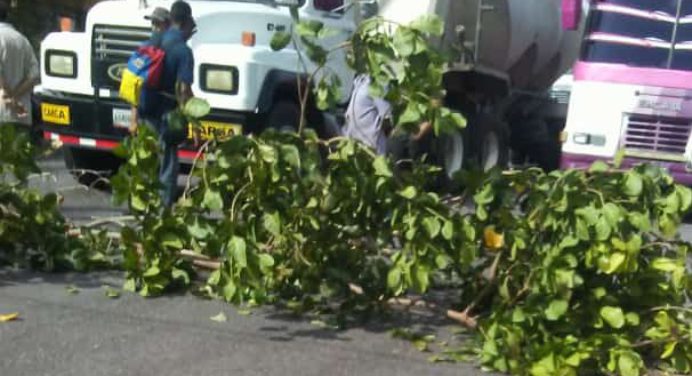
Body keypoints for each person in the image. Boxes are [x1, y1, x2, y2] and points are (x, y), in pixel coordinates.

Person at [137, 0, 196, 208]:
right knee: (168, 164)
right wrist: (191, 122)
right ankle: (162, 214)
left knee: (146, 161)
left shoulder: (151, 41)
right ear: (187, 22)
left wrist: (133, 113)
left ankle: (143, 209)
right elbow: (183, 90)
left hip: (145, 109)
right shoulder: (183, 50)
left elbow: (134, 78)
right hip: (166, 114)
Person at [343, 74, 431, 159]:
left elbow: (388, 119)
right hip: (371, 150)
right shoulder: (372, 83)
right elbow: (388, 120)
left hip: (364, 148)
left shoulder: (365, 82)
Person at [129, 6, 171, 134]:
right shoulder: (144, 50)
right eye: (153, 23)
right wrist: (133, 119)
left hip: (166, 117)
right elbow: (133, 83)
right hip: (147, 116)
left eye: (158, 23)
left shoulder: (174, 51)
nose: (155, 27)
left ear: (168, 26)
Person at [0, 0, 39, 128]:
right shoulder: (22, 40)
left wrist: (8, 96)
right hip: (21, 115)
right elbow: (34, 75)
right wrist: (15, 97)